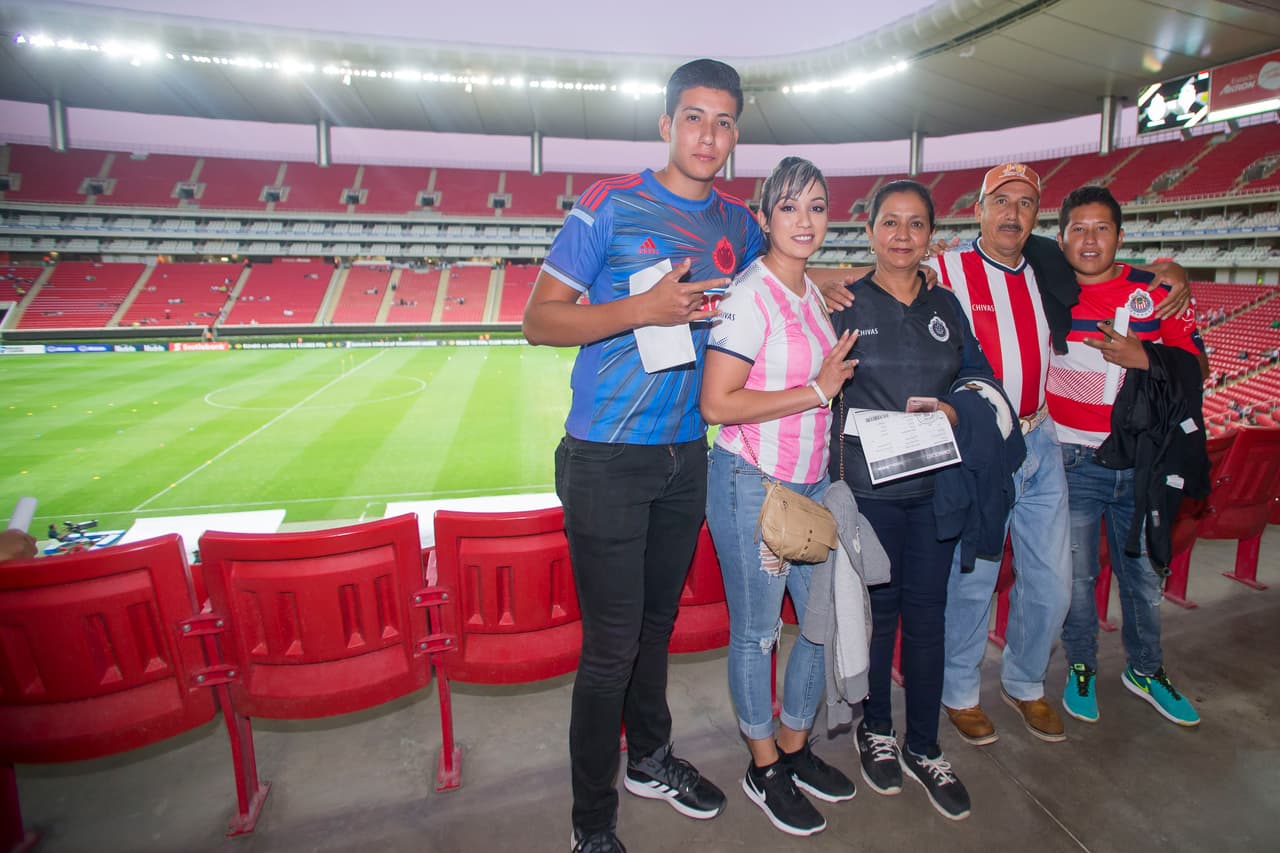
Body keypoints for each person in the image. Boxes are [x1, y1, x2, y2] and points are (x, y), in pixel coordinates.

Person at [523, 59, 764, 853]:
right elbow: (539, 320)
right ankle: (591, 825)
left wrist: (857, 274)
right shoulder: (611, 204)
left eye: (725, 122)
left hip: (682, 452)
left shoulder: (737, 223)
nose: (710, 135)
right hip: (607, 456)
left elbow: (788, 266)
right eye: (695, 118)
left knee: (655, 626)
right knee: (610, 647)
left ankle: (650, 758)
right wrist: (642, 308)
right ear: (666, 125)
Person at [934, 163, 1194, 748]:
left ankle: (1025, 682)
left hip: (1042, 438)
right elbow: (881, 274)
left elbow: (1112, 262)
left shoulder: (1048, 266)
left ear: (1036, 219)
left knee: (1052, 582)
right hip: (980, 445)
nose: (1013, 213)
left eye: (1026, 204)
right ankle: (960, 693)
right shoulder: (946, 268)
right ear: (978, 208)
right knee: (975, 577)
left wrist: (1171, 270)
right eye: (1001, 201)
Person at [700, 157, 857, 837]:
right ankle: (762, 765)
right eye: (789, 207)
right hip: (753, 487)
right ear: (764, 218)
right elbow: (716, 402)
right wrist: (815, 389)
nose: (805, 220)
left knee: (822, 624)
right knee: (760, 634)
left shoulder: (809, 294)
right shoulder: (748, 296)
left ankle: (794, 748)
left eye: (817, 207)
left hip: (811, 485)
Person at [830, 180, 995, 822]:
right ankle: (877, 732)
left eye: (916, 224)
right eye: (890, 222)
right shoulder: (843, 300)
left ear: (931, 234)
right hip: (868, 493)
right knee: (878, 615)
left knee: (929, 617)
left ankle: (924, 745)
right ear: (869, 230)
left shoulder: (948, 306)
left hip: (933, 493)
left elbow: (978, 377)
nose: (902, 235)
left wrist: (955, 405)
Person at [1047, 185, 1207, 728]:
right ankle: (1082, 665)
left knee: (1140, 574)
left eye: (1102, 228)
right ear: (1061, 236)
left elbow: (1196, 370)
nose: (1089, 240)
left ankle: (1146, 668)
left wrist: (1145, 355)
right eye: (1078, 228)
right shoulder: (1045, 284)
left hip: (1140, 460)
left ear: (1120, 235)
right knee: (1076, 577)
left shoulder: (1155, 290)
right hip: (1068, 459)